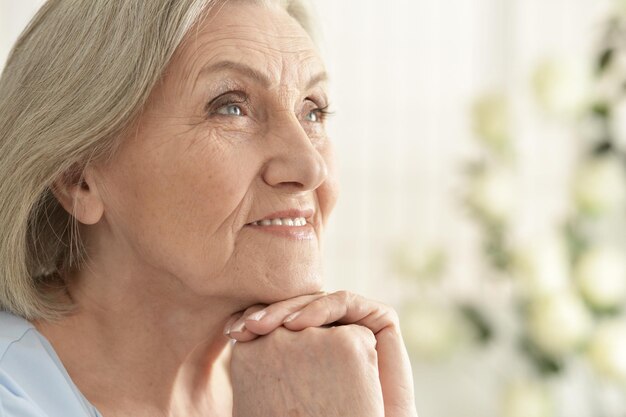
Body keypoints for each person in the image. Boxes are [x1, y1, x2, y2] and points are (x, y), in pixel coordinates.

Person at [0, 0, 418, 416]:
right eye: (231, 107)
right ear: (79, 178)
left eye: (313, 111)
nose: (310, 166)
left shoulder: (316, 381)